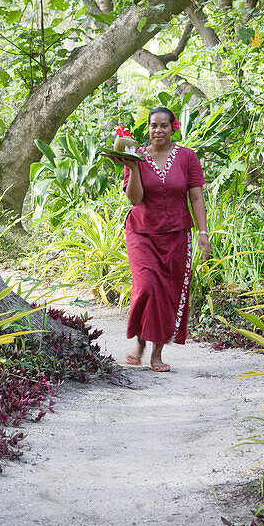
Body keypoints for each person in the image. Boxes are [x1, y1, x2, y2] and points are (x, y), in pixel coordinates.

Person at [113, 107, 211, 372]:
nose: (158, 131)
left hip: (176, 233)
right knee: (146, 288)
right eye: (153, 126)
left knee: (167, 292)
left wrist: (203, 233)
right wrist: (132, 168)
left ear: (173, 127)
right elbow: (135, 199)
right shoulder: (135, 156)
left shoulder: (187, 157)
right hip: (141, 233)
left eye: (163, 126)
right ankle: (139, 345)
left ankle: (156, 353)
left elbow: (196, 197)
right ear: (148, 128)